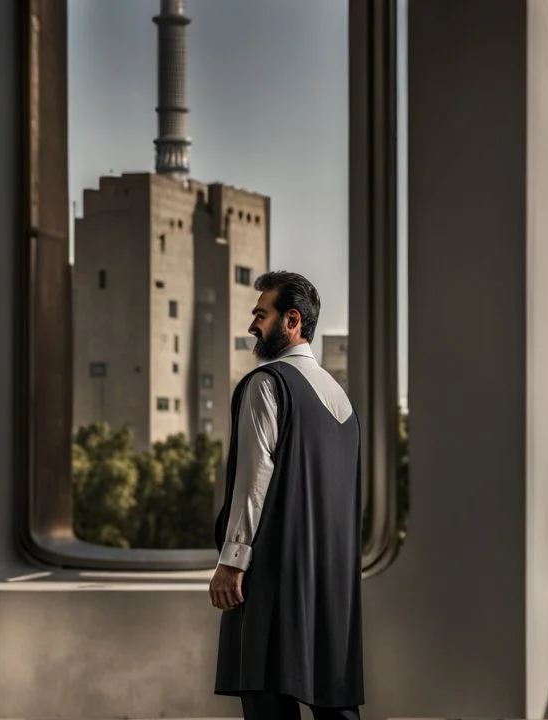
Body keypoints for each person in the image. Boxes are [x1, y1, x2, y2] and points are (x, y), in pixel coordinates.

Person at [208, 270, 365, 720]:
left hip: (273, 577)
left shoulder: (267, 384)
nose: (253, 325)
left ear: (291, 320)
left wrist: (231, 562)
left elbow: (253, 481)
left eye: (261, 314)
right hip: (332, 584)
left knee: (266, 701)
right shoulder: (342, 402)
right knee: (336, 708)